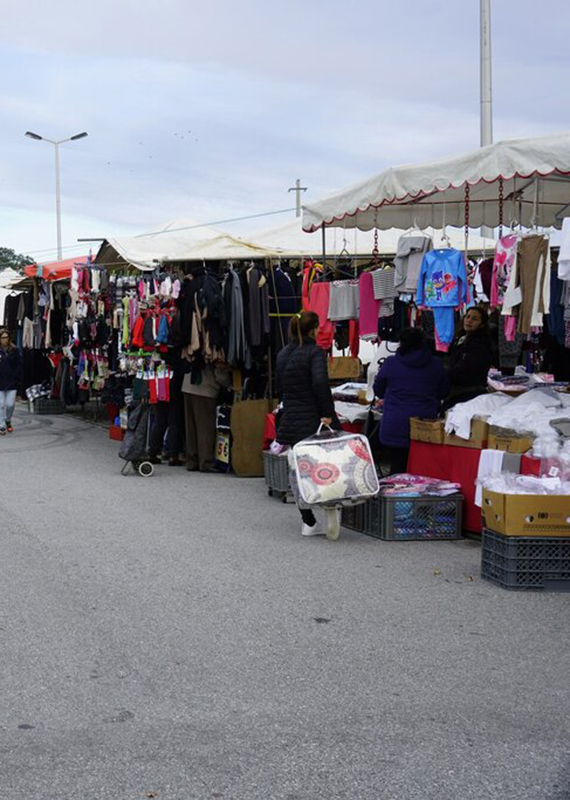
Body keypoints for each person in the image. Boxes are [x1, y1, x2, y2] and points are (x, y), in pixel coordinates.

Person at [275, 310, 340, 540]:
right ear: (313, 330)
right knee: (327, 467)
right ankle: (331, 507)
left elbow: (280, 387)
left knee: (299, 472)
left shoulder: (283, 354)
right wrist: (328, 413)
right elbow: (320, 383)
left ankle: (308, 521)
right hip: (313, 419)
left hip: (291, 419)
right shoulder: (315, 352)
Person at [373, 327, 448, 474]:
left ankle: (396, 495)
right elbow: (443, 392)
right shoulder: (436, 364)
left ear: (401, 343)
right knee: (423, 471)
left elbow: (378, 391)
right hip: (425, 423)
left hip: (395, 424)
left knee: (397, 470)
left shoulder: (391, 363)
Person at [181, 361, 231, 473]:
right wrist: (228, 382)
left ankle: (192, 460)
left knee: (191, 427)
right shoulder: (212, 346)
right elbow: (219, 372)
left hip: (188, 386)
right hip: (205, 389)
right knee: (205, 427)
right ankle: (206, 461)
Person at [443, 306, 494, 410]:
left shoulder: (480, 344)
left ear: (482, 324)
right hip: (457, 388)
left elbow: (466, 369)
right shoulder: (461, 338)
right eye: (468, 317)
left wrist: (444, 373)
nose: (469, 321)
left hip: (470, 393)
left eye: (474, 319)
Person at [0, 328, 22, 435]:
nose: (4, 340)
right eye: (2, 338)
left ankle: (8, 420)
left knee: (10, 405)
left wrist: (17, 379)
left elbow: (19, 365)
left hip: (11, 382)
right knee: (0, 405)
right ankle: (1, 426)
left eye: (6, 337)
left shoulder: (15, 350)